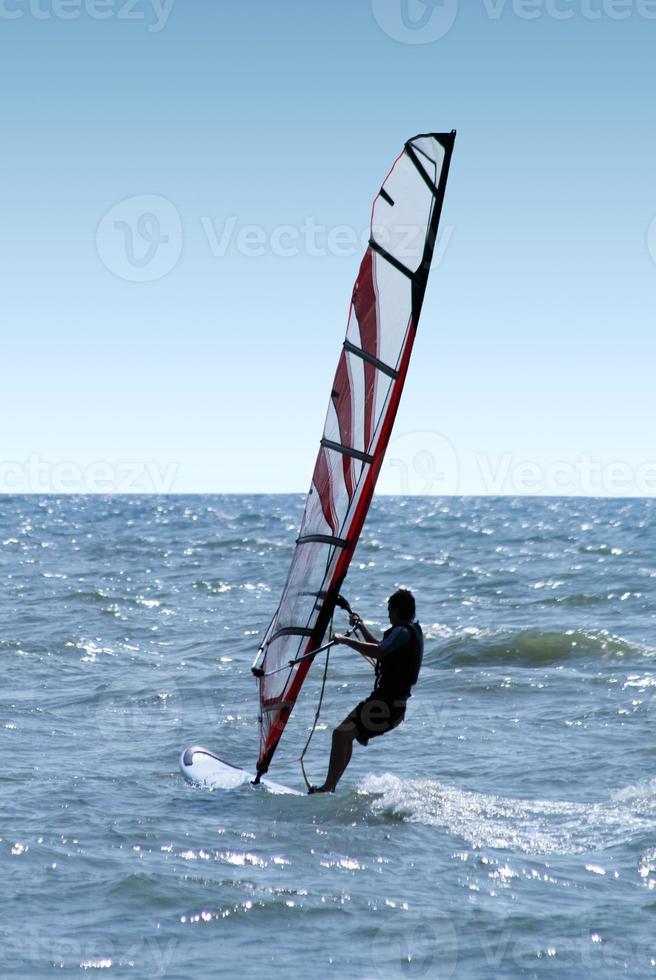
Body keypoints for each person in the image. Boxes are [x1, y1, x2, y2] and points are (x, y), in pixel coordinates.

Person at [309, 588, 423, 794]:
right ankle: (330, 786)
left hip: (386, 705)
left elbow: (378, 651)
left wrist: (345, 641)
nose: (388, 615)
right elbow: (382, 646)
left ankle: (328, 787)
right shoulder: (409, 631)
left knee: (340, 735)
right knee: (345, 735)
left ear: (397, 611)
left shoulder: (402, 631)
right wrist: (360, 628)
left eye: (390, 610)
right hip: (392, 705)